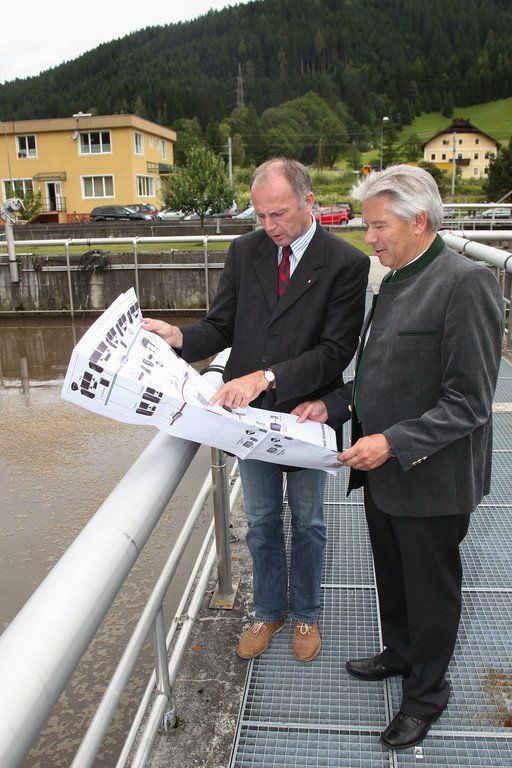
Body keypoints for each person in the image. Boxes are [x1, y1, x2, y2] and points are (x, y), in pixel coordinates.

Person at [293, 164, 503, 746]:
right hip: (384, 473)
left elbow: (470, 403)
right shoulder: (393, 280)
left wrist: (390, 442)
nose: (369, 238)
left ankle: (427, 694)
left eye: (379, 226)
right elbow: (376, 375)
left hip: (431, 477)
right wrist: (332, 405)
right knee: (392, 573)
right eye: (366, 226)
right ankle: (401, 653)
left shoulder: (466, 284)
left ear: (419, 221)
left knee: (431, 590)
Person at [143, 157, 369, 662]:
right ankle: (268, 611)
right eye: (261, 215)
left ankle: (306, 613)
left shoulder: (346, 264)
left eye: (279, 214)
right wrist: (179, 337)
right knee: (262, 521)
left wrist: (265, 377)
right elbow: (220, 326)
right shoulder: (246, 251)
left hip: (306, 414)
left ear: (309, 202)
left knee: (309, 523)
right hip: (248, 421)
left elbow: (336, 352)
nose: (269, 226)